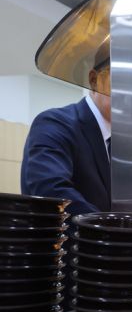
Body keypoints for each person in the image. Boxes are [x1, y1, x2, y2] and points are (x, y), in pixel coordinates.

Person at [21, 49, 111, 217]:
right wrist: (116, 232)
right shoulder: (54, 123)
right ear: (94, 80)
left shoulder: (125, 143)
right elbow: (52, 192)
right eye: (121, 80)